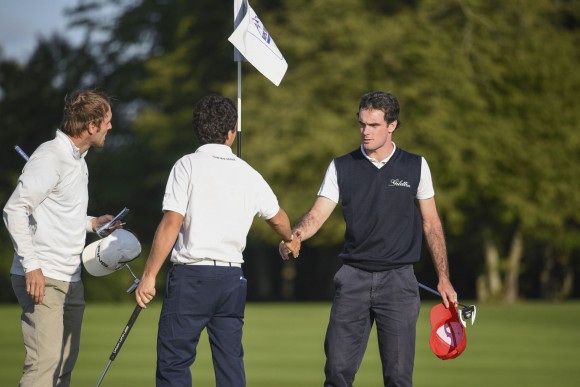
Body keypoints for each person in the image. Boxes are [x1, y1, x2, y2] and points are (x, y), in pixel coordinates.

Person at [279, 91, 457, 387]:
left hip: (399, 282)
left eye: (373, 125)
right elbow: (317, 214)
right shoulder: (341, 166)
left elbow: (432, 223)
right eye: (361, 124)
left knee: (398, 377)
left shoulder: (416, 166)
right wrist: (294, 236)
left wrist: (444, 277)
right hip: (353, 280)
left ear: (392, 126)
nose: (365, 131)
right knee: (336, 372)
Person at [135, 94, 301, 387]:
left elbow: (172, 222)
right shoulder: (249, 173)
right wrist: (290, 239)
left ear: (198, 129)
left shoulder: (186, 165)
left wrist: (149, 276)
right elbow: (278, 219)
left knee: (174, 363)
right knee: (230, 365)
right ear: (231, 133)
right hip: (231, 280)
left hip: (191, 276)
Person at [3, 89, 122, 387]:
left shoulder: (78, 161)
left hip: (70, 278)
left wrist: (94, 223)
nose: (110, 126)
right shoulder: (50, 156)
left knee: (63, 367)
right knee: (44, 368)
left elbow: (59, 213)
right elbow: (14, 209)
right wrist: (32, 266)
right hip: (44, 277)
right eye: (106, 121)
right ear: (91, 126)